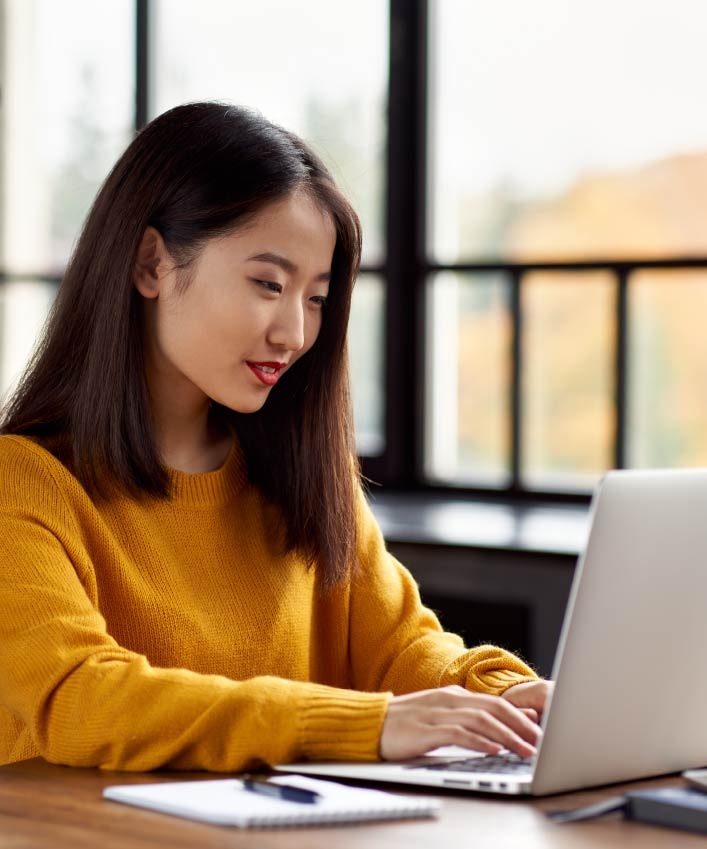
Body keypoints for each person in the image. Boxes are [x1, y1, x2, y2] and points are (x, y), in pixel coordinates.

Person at [0, 102, 549, 772]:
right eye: (268, 283)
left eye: (315, 297)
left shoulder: (301, 474)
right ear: (151, 264)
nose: (294, 333)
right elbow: (81, 696)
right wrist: (362, 722)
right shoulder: (22, 482)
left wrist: (511, 697)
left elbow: (402, 649)